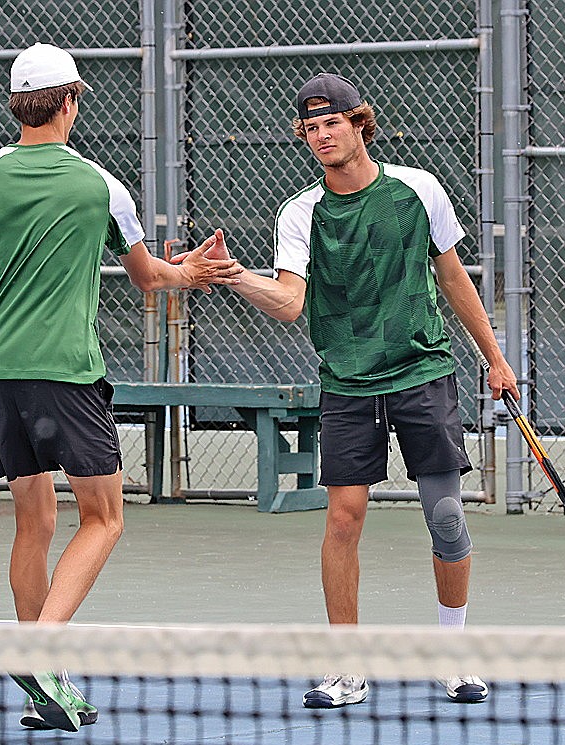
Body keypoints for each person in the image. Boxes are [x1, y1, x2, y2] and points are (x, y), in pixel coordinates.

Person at [0, 43, 242, 732]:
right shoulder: (101, 185)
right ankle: (39, 649)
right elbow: (151, 279)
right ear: (69, 102)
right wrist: (194, 271)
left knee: (33, 522)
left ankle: (44, 686)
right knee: (105, 518)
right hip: (67, 374)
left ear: (17, 106)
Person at [216, 73, 518, 706]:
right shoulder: (301, 213)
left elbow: (453, 278)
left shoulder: (418, 191)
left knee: (446, 515)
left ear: (360, 123)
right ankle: (347, 666)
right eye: (310, 128)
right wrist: (237, 276)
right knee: (344, 519)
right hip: (348, 382)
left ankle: (453, 651)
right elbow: (291, 303)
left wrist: (495, 356)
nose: (322, 135)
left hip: (422, 371)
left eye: (332, 123)